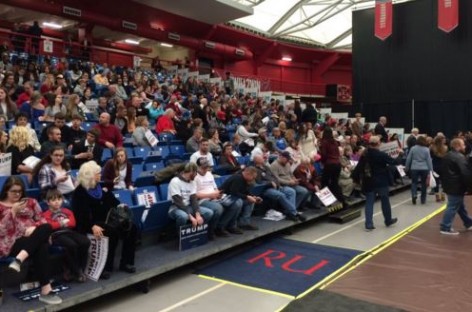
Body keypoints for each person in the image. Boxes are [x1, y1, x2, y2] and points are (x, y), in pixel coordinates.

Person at [0, 176, 62, 305]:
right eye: (14, 191)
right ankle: (46, 290)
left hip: (33, 237)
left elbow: (42, 219)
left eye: (20, 191)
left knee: (46, 227)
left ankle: (19, 260)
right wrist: (12, 212)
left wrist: (34, 227)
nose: (17, 194)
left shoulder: (31, 202)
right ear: (6, 190)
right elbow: (2, 231)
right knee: (41, 245)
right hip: (12, 242)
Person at [72, 161, 137, 279]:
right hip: (90, 224)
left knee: (131, 228)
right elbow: (80, 215)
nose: (100, 175)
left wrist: (120, 206)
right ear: (90, 175)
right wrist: (92, 226)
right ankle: (105, 267)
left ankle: (126, 262)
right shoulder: (80, 192)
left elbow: (113, 201)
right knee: (111, 232)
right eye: (97, 173)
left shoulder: (100, 187)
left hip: (107, 220)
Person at [42, 189, 90, 283]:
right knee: (71, 245)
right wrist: (62, 223)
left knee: (85, 241)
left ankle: (79, 269)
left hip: (69, 232)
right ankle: (77, 272)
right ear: (48, 202)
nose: (57, 202)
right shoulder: (45, 214)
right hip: (56, 235)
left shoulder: (67, 211)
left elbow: (73, 223)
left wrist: (58, 224)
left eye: (59, 199)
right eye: (53, 200)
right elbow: (49, 226)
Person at [359, 136, 399, 231]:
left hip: (369, 181)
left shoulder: (365, 154)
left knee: (369, 202)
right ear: (378, 143)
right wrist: (399, 154)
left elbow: (360, 167)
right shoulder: (381, 154)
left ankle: (368, 224)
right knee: (385, 200)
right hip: (381, 180)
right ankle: (388, 220)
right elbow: (394, 162)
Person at [253, 154, 305, 221]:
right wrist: (270, 183)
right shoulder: (255, 170)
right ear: (257, 161)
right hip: (266, 189)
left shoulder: (266, 167)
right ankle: (294, 213)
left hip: (277, 186)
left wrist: (277, 184)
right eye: (262, 158)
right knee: (281, 195)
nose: (264, 159)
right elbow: (259, 182)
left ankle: (290, 212)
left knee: (291, 191)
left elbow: (274, 177)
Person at [167, 162, 214, 235]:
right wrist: (191, 217)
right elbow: (178, 202)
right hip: (175, 207)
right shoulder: (175, 181)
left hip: (189, 206)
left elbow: (193, 200)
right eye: (196, 173)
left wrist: (197, 215)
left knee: (209, 213)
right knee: (183, 216)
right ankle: (179, 235)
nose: (196, 175)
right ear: (191, 171)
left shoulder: (192, 182)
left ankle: (195, 233)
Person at [439, 138, 472, 235]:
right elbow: (465, 173)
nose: (465, 146)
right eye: (463, 145)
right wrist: (470, 186)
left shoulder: (447, 156)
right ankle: (445, 227)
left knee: (459, 206)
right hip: (456, 186)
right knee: (453, 206)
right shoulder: (459, 157)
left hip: (450, 185)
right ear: (458, 145)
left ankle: (468, 222)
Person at [194, 158, 231, 237]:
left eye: (207, 167)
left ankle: (221, 227)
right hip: (202, 200)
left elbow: (215, 188)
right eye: (203, 168)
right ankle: (211, 230)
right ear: (197, 167)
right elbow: (194, 195)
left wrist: (218, 194)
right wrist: (210, 195)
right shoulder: (194, 177)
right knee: (218, 208)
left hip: (214, 197)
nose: (205, 170)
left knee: (235, 203)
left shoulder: (209, 174)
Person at [219, 167, 261, 231]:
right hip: (225, 198)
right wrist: (247, 197)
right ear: (248, 174)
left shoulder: (245, 179)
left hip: (234, 197)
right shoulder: (238, 178)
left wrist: (253, 197)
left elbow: (245, 192)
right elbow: (233, 193)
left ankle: (244, 223)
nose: (253, 179)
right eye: (253, 177)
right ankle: (227, 226)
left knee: (251, 201)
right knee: (238, 203)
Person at [320, 127, 346, 208]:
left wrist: (323, 162)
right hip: (337, 164)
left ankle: (328, 202)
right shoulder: (334, 142)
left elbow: (324, 154)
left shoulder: (324, 142)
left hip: (329, 164)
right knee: (335, 183)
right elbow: (338, 153)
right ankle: (343, 201)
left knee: (324, 183)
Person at [405, 136, 433, 205]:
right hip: (424, 168)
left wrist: (406, 167)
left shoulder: (413, 148)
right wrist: (431, 170)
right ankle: (423, 200)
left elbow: (409, 158)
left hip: (414, 168)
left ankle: (414, 195)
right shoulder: (426, 149)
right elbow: (429, 160)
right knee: (424, 184)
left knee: (414, 182)